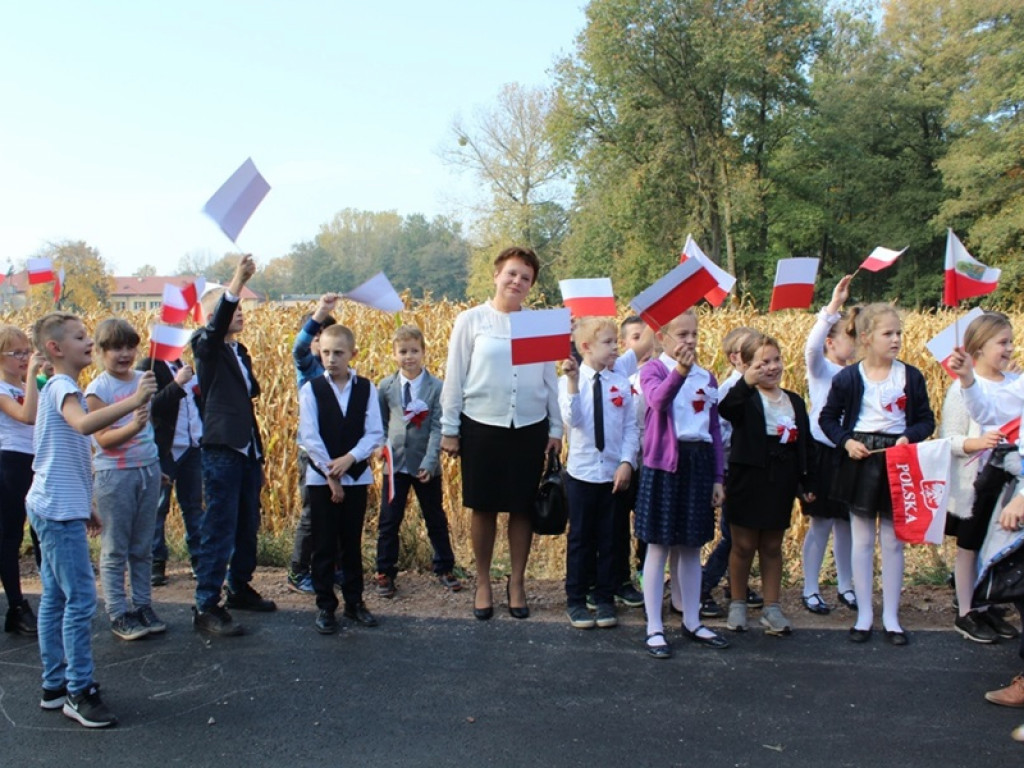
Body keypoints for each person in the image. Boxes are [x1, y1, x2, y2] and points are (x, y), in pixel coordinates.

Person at [27, 312, 156, 728]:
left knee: (55, 597)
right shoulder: (64, 386)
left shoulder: (66, 387)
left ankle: (54, 686)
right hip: (57, 509)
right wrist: (134, 401)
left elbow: (69, 451)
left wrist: (88, 502)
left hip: (58, 503)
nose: (89, 341)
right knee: (81, 599)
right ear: (55, 348)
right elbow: (84, 428)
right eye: (81, 337)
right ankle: (78, 691)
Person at [440, 246, 562, 620]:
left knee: (523, 507)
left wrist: (556, 427)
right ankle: (482, 582)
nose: (517, 282)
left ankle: (518, 582)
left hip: (528, 427)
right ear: (496, 275)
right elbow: (455, 375)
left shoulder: (539, 324)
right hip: (482, 425)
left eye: (525, 277)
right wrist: (449, 428)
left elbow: (549, 380)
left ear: (531, 286)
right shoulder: (471, 320)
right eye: (511, 273)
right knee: (485, 506)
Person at [819, 303, 935, 645]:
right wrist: (846, 441)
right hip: (860, 460)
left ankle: (892, 618)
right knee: (862, 539)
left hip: (896, 460)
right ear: (867, 338)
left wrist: (908, 437)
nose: (896, 339)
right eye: (888, 333)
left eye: (899, 333)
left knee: (893, 541)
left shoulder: (910, 376)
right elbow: (827, 419)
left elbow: (926, 420)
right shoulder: (848, 378)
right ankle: (864, 615)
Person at [190, 255, 276, 637]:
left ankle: (239, 587)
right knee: (219, 526)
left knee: (247, 524)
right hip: (222, 448)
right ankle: (207, 605)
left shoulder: (239, 352)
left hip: (247, 449)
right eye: (233, 308)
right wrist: (237, 281)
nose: (240, 313)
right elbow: (215, 328)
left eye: (241, 307)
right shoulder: (205, 345)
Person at [635, 309, 728, 657]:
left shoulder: (708, 377)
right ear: (663, 338)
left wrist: (718, 476)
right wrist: (680, 371)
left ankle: (692, 620)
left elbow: (714, 430)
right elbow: (658, 402)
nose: (689, 341)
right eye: (682, 334)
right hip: (664, 466)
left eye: (694, 334)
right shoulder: (653, 370)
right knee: (658, 545)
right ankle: (654, 627)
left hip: (698, 463)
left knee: (691, 546)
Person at [720, 333, 814, 636]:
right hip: (748, 480)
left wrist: (805, 482)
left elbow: (804, 446)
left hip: (780, 480)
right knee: (743, 544)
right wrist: (746, 382)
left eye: (776, 360)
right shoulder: (745, 399)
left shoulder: (794, 401)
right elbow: (727, 409)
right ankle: (738, 601)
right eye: (763, 363)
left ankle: (772, 607)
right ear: (746, 366)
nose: (772, 368)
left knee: (772, 545)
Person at [298, 323, 384, 634]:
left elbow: (374, 431)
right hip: (322, 481)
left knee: (351, 542)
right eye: (325, 353)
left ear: (352, 354)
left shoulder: (366, 388)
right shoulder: (312, 390)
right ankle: (325, 606)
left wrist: (350, 459)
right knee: (323, 544)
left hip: (356, 477)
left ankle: (354, 602)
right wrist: (330, 473)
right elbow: (309, 435)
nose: (331, 359)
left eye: (338, 353)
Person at [942, 312, 1021, 643]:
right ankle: (965, 610)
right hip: (973, 481)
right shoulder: (963, 388)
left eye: (1010, 341)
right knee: (969, 545)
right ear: (979, 347)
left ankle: (985, 601)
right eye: (1002, 342)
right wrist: (978, 442)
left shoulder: (1015, 383)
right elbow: (951, 438)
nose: (1009, 348)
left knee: (995, 544)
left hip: (1010, 482)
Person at [85, 319, 164, 641]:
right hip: (114, 475)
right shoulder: (98, 389)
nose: (125, 354)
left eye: (130, 346)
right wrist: (133, 425)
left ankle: (144, 605)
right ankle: (118, 611)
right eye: (116, 348)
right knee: (116, 548)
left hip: (148, 469)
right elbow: (103, 439)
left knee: (143, 547)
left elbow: (149, 431)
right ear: (101, 351)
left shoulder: (143, 379)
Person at [560, 317, 639, 630]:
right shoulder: (571, 381)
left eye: (615, 342)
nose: (615, 348)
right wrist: (571, 382)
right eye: (607, 343)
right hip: (581, 474)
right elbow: (573, 419)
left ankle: (605, 597)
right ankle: (577, 599)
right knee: (581, 538)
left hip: (612, 475)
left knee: (609, 538)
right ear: (586, 347)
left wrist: (626, 462)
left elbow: (631, 427)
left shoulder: (619, 382)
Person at [374, 324, 461, 597]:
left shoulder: (436, 388)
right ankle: (384, 570)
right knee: (389, 520)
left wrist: (430, 460)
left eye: (414, 351)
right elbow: (380, 423)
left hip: (426, 465)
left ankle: (445, 567)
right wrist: (380, 448)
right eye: (403, 352)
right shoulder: (386, 387)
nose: (408, 356)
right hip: (395, 464)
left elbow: (437, 426)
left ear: (423, 352)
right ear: (394, 354)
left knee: (434, 516)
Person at [800, 276, 858, 615]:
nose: (855, 343)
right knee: (820, 522)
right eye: (849, 337)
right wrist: (833, 307)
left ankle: (846, 586)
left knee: (848, 522)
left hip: (849, 452)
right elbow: (810, 348)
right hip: (822, 452)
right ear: (831, 343)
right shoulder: (821, 369)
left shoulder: (861, 373)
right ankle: (810, 587)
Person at [699, 326, 762, 619]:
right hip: (731, 470)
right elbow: (720, 435)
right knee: (732, 536)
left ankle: (736, 585)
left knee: (747, 533)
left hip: (750, 471)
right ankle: (703, 585)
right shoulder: (730, 390)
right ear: (734, 357)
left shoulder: (759, 387)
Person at [137, 336, 203, 588]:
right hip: (164, 449)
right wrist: (177, 384)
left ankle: (198, 559)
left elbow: (196, 403)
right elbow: (150, 406)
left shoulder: (185, 366)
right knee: (157, 507)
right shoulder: (149, 366)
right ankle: (156, 562)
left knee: (194, 506)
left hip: (191, 446)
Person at [287, 293, 338, 594]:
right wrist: (320, 313)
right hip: (311, 453)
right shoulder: (308, 368)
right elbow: (299, 347)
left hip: (337, 453)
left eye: (327, 335)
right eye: (317, 336)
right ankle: (297, 572)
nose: (322, 343)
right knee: (312, 513)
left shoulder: (341, 372)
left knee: (335, 511)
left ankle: (331, 568)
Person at [0, 326, 44, 635]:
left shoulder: (32, 383)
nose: (23, 358)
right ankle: (16, 606)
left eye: (26, 351)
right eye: (16, 353)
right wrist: (32, 377)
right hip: (10, 461)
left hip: (37, 460)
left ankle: (55, 595)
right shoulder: (3, 389)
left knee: (43, 531)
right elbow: (27, 416)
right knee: (10, 535)